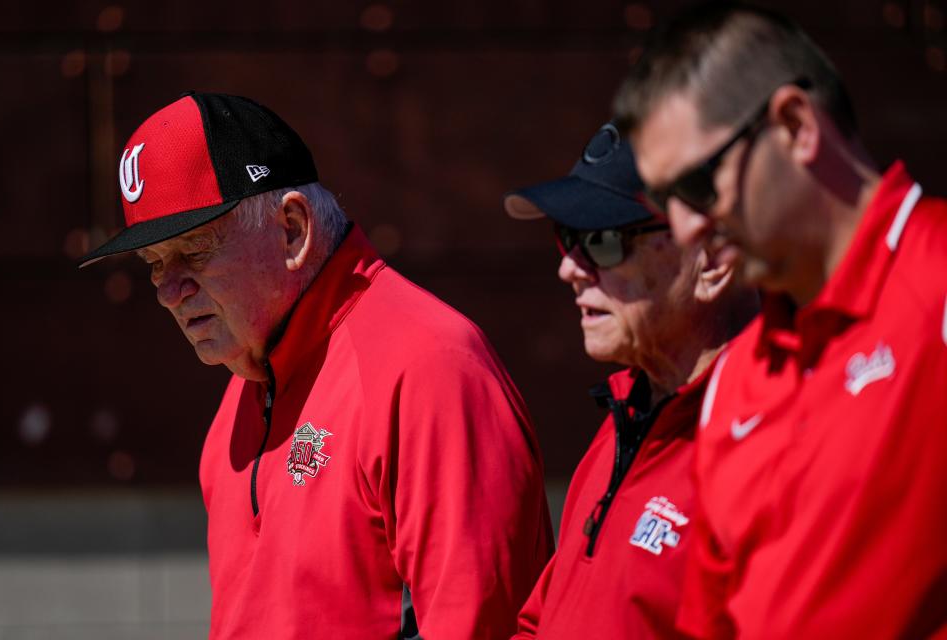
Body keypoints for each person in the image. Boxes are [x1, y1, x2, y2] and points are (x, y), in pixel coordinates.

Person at [79, 92, 553, 639]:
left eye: (194, 249)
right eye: (154, 264)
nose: (169, 291)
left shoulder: (430, 368)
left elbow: (480, 626)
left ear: (292, 230)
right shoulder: (246, 386)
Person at [617, 4, 947, 638]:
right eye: (665, 202)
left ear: (796, 126)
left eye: (699, 185)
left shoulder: (937, 293)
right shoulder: (735, 377)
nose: (686, 228)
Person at [502, 122, 757, 638]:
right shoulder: (626, 417)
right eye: (567, 238)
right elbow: (544, 621)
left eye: (602, 241)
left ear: (711, 261)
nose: (569, 269)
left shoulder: (773, 442)